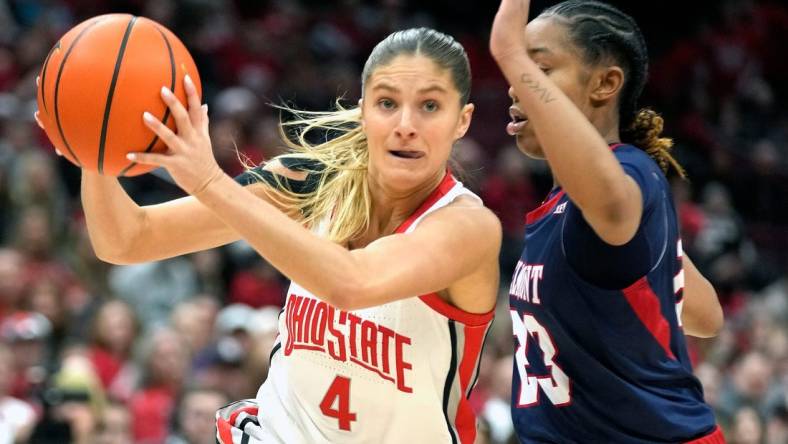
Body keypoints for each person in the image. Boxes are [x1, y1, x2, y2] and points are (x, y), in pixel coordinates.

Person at [38, 27, 500, 443]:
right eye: (386, 102)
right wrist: (92, 147)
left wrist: (209, 182)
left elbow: (351, 284)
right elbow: (127, 240)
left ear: (462, 120)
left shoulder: (466, 228)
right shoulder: (306, 184)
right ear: (363, 112)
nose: (405, 124)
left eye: (430, 106)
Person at [489, 0, 725, 442]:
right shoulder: (568, 204)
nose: (514, 84)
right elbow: (706, 314)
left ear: (605, 83)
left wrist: (508, 47)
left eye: (538, 67)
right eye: (518, 68)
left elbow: (615, 208)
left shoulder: (632, 174)